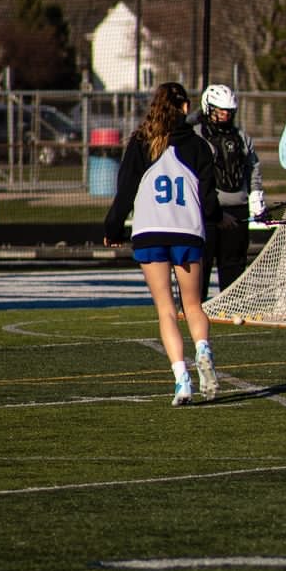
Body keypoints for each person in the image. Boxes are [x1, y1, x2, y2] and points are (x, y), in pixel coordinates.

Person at [103, 82, 222, 406]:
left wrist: (112, 229)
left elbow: (125, 191)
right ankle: (204, 351)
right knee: (193, 305)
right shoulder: (198, 146)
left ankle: (182, 379)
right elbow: (210, 203)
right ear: (185, 108)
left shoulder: (142, 141)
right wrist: (216, 219)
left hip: (150, 231)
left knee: (166, 310)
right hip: (187, 231)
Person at [189, 84, 265, 300]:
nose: (224, 115)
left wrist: (256, 195)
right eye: (219, 111)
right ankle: (195, 305)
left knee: (233, 263)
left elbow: (253, 167)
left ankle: (231, 303)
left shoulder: (241, 137)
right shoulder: (196, 136)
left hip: (238, 208)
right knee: (201, 262)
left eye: (228, 112)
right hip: (207, 210)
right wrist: (209, 207)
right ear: (208, 108)